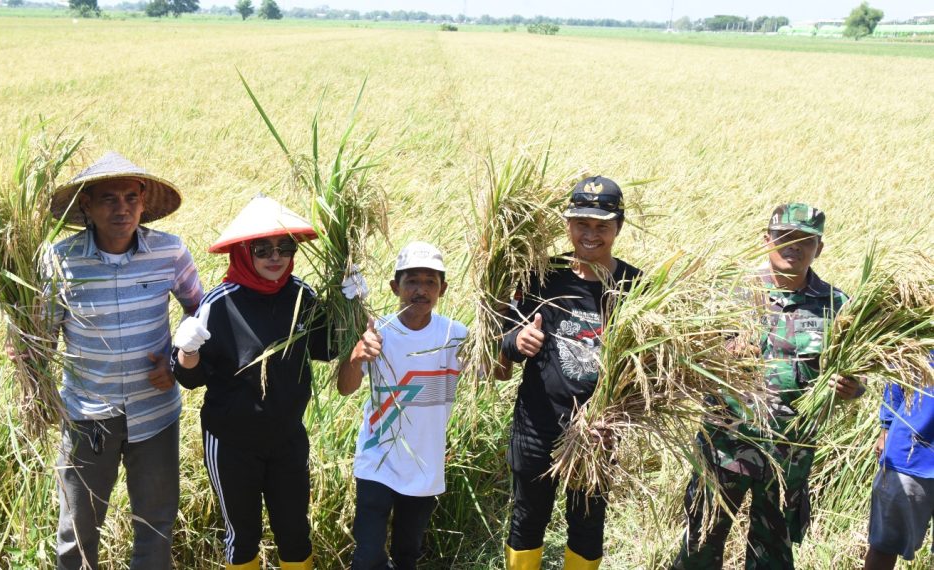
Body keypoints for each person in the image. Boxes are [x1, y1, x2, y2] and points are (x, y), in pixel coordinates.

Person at [672, 203, 864, 569]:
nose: (793, 246)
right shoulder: (728, 293)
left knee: (772, 556)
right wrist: (719, 354)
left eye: (804, 240)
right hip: (723, 449)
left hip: (788, 458)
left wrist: (851, 389)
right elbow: (683, 358)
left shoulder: (837, 306)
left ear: (818, 248)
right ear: (766, 240)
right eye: (784, 237)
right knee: (699, 547)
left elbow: (858, 382)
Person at [171, 194, 358, 570]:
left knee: (295, 531)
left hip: (287, 437)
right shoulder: (220, 303)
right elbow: (190, 378)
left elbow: (328, 347)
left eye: (284, 246)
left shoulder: (301, 295)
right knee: (243, 536)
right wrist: (186, 351)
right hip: (232, 442)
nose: (275, 256)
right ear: (243, 251)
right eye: (262, 248)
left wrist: (350, 307)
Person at [45, 152, 202, 570]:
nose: (122, 209)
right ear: (87, 206)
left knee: (155, 525)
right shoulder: (60, 261)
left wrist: (177, 359)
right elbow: (40, 338)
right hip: (87, 415)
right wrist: (24, 355)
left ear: (144, 200)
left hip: (155, 414)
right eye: (109, 199)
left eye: (131, 198)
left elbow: (198, 312)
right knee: (77, 529)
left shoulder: (169, 252)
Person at [499, 177, 642, 570]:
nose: (590, 234)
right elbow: (504, 341)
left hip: (597, 433)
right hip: (537, 425)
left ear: (619, 226)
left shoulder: (636, 287)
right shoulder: (542, 276)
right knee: (528, 519)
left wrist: (616, 417)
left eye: (601, 226)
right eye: (582, 223)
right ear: (568, 225)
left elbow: (650, 371)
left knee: (587, 524)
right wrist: (518, 341)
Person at [337, 241, 468, 570]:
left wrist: (502, 318)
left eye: (430, 282)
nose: (420, 290)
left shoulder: (456, 335)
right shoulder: (377, 334)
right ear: (396, 286)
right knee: (367, 558)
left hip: (425, 466)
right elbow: (345, 387)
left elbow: (496, 370)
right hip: (377, 461)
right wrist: (356, 355)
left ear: (443, 289)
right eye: (412, 281)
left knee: (407, 555)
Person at [863, 353, 934, 570]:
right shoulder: (922, 325)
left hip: (909, 455)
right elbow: (899, 372)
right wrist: (886, 426)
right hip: (910, 452)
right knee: (883, 547)